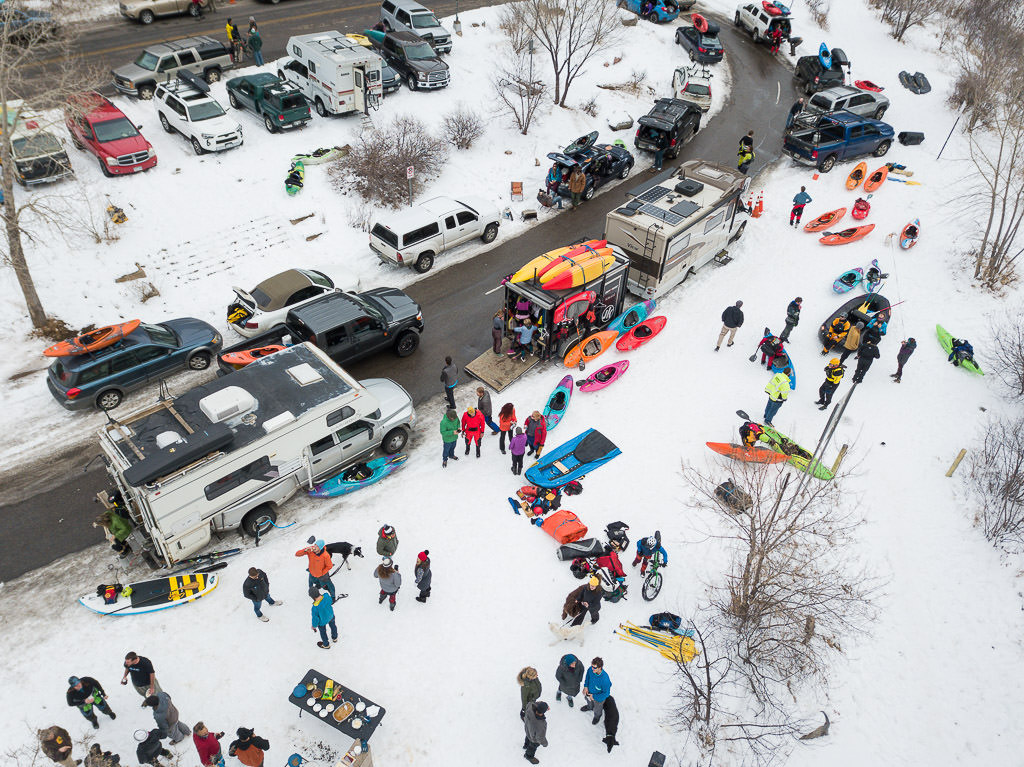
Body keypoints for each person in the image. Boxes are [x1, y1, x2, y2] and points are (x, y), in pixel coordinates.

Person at [580, 657, 612, 725]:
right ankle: (589, 707)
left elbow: (606, 693)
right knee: (589, 701)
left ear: (600, 667)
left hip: (598, 698)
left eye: (594, 667)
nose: (592, 668)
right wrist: (585, 686)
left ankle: (597, 716)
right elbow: (587, 677)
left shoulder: (605, 680)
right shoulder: (590, 670)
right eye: (592, 666)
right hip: (588, 692)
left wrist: (594, 696)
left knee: (597, 708)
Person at [522, 700, 549, 764]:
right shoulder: (541, 724)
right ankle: (528, 756)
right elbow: (540, 738)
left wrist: (539, 703)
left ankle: (525, 745)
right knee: (532, 747)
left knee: (528, 737)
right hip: (534, 739)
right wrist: (545, 744)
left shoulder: (530, 707)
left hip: (527, 729)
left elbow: (530, 703)